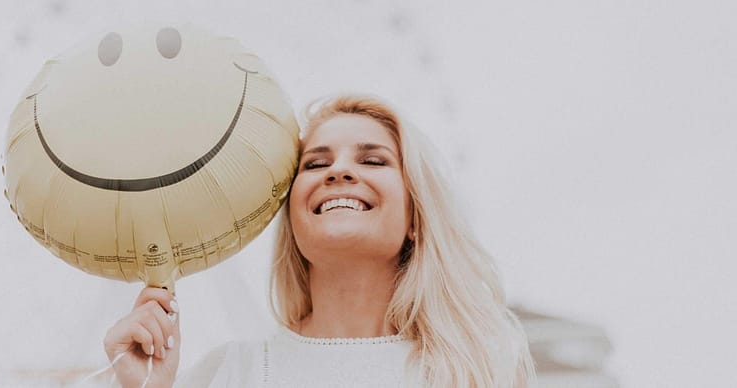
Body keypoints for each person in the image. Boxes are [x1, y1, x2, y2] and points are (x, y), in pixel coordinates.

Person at [104, 95, 535, 387]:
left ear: (415, 219)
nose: (339, 172)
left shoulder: (479, 371)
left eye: (372, 159)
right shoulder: (232, 373)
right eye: (315, 163)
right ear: (292, 218)